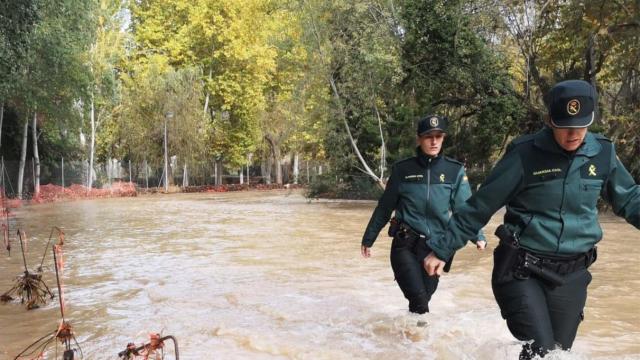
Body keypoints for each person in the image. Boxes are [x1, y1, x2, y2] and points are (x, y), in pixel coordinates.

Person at [423, 80, 640, 358]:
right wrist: (443, 247)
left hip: (571, 275)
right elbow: (481, 205)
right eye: (564, 126)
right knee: (542, 351)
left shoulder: (603, 152)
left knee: (557, 354)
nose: (573, 134)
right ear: (550, 120)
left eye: (581, 125)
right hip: (521, 269)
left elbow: (630, 198)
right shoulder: (525, 154)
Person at [361, 114, 486, 314]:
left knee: (423, 300)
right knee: (419, 300)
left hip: (436, 248)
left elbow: (464, 208)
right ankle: (419, 340)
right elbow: (385, 207)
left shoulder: (455, 171)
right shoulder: (403, 170)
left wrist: (477, 235)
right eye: (428, 136)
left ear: (443, 138)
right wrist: (369, 238)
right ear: (419, 139)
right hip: (405, 245)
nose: (434, 141)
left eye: (438, 136)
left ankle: (410, 340)